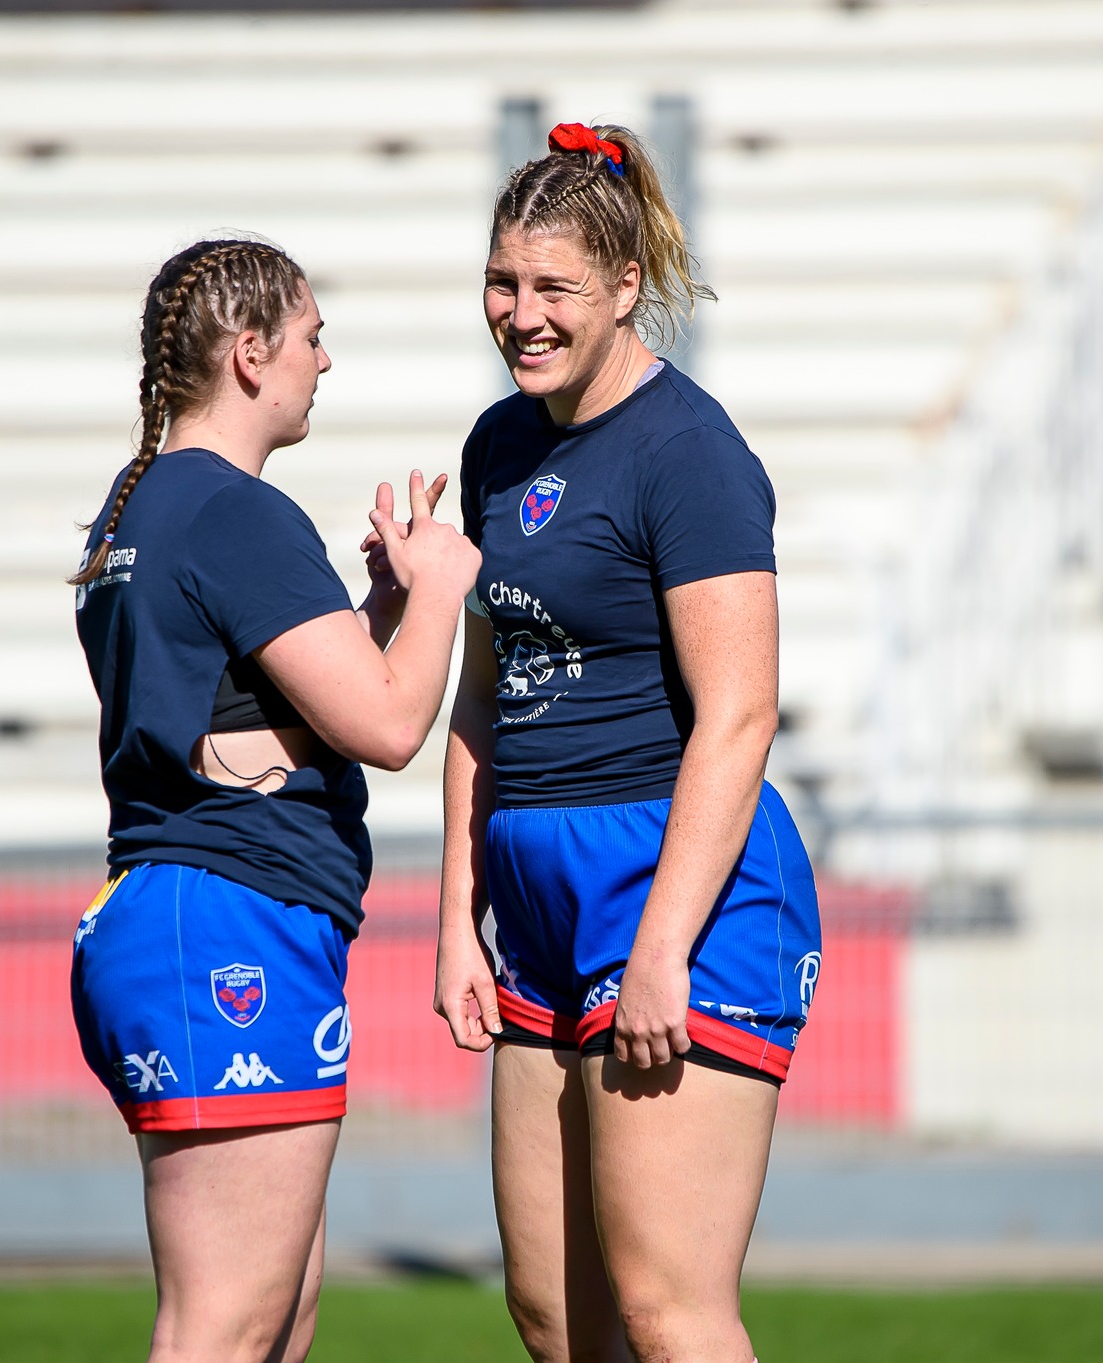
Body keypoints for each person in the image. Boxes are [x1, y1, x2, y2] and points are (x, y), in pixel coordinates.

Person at [433, 125, 824, 1363]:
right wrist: (458, 917)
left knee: (666, 1309)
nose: (520, 313)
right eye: (503, 281)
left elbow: (740, 713)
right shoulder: (498, 443)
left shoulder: (687, 451)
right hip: (532, 898)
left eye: (552, 287)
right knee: (555, 1317)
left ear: (620, 287)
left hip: (672, 884)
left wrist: (659, 943)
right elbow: (481, 700)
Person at [69, 237, 479, 1363]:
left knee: (274, 1322)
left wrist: (378, 609)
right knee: (227, 1326)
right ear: (250, 355)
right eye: (309, 336)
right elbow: (393, 724)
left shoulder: (143, 498)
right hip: (228, 922)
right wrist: (442, 588)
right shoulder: (235, 512)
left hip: (181, 913)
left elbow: (254, 709)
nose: (324, 361)